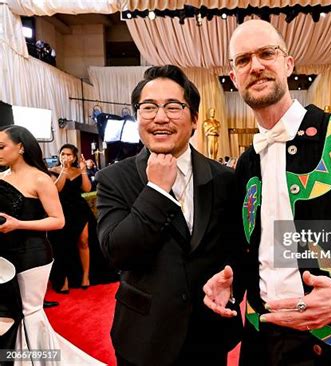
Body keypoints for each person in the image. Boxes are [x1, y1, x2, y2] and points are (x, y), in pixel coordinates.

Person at [203, 19, 331, 366]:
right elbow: (251, 251)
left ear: (288, 63)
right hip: (264, 343)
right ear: (234, 75)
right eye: (243, 60)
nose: (255, 66)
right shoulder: (246, 163)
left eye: (266, 54)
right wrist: (230, 281)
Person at [95, 65, 243, 366]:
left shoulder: (224, 179)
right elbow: (117, 253)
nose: (160, 117)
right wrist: (157, 191)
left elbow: (237, 249)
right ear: (138, 117)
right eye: (148, 107)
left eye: (174, 107)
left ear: (195, 120)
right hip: (144, 335)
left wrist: (232, 284)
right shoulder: (114, 178)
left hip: (208, 332)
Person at [0, 125, 104, 365]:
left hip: (32, 255)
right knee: (12, 315)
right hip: (5, 255)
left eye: (2, 146)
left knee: (30, 314)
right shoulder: (2, 177)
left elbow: (58, 221)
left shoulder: (40, 178)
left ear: (21, 147)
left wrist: (19, 225)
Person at [49, 144, 94, 292]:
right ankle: (64, 279)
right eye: (63, 154)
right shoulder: (53, 170)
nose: (66, 157)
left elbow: (87, 189)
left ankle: (85, 276)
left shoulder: (78, 170)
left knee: (84, 240)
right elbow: (57, 189)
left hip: (79, 209)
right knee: (64, 246)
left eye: (69, 155)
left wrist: (83, 171)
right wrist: (63, 170)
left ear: (74, 157)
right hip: (61, 210)